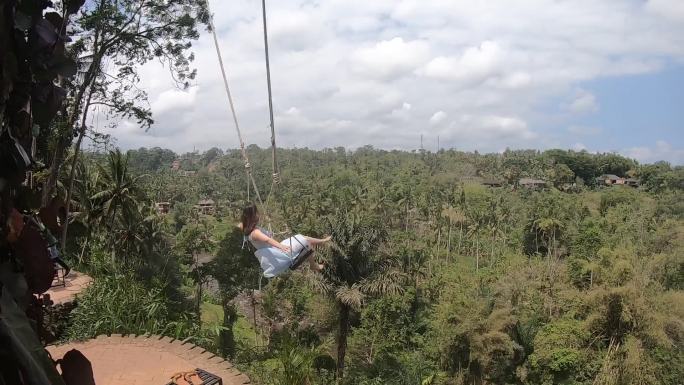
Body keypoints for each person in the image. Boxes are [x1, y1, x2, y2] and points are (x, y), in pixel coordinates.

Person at [239, 204, 330, 277]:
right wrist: (281, 246)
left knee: (302, 237)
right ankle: (317, 256)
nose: (258, 215)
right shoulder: (255, 232)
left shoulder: (246, 227)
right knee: (305, 240)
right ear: (253, 215)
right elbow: (267, 240)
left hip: (275, 251)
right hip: (279, 253)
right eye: (256, 213)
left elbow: (240, 224)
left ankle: (321, 245)